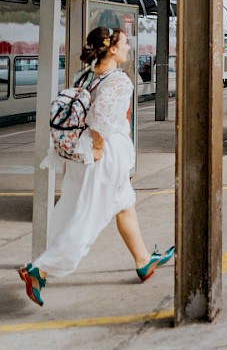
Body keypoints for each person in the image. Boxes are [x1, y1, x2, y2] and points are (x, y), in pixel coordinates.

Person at [17, 26, 174, 308]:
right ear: (112, 48)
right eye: (125, 43)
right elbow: (101, 118)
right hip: (103, 154)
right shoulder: (120, 81)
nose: (129, 47)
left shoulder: (86, 75)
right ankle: (39, 271)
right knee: (88, 218)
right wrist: (99, 146)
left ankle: (142, 261)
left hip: (83, 151)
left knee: (123, 203)